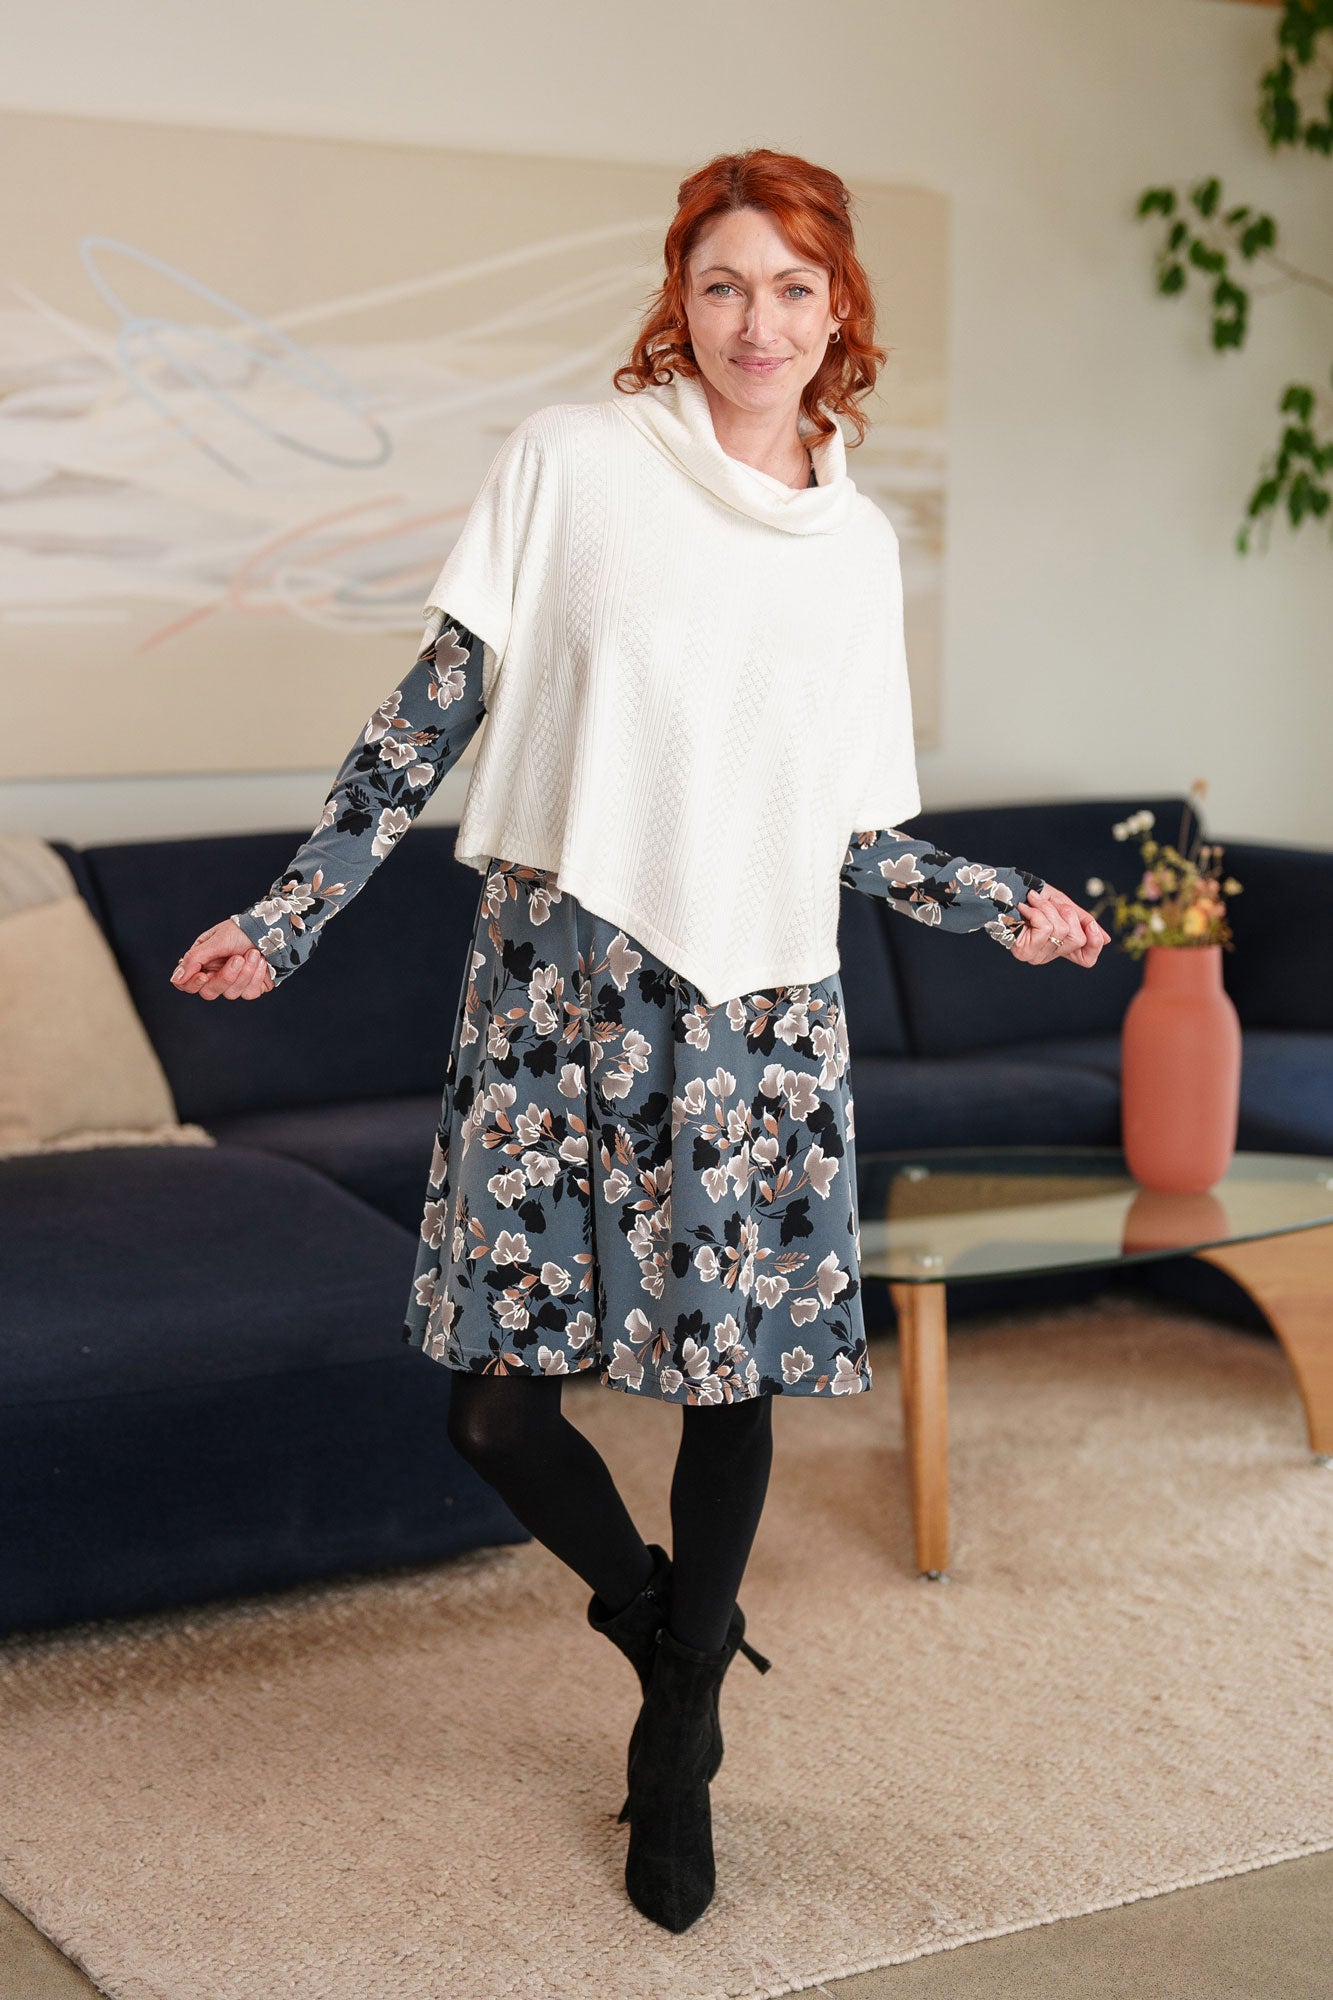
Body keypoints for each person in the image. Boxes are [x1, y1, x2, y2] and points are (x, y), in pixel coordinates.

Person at [171, 147, 1108, 1934]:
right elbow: (428, 710)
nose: (755, 321)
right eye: (720, 284)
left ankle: (676, 1736)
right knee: (495, 1408)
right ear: (676, 298)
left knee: (724, 1385)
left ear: (841, 313)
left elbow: (853, 827)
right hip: (553, 983)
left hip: (759, 1008)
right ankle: (667, 1622)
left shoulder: (855, 546)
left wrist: (1006, 904)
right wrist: (292, 913)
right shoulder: (572, 464)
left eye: (792, 288)